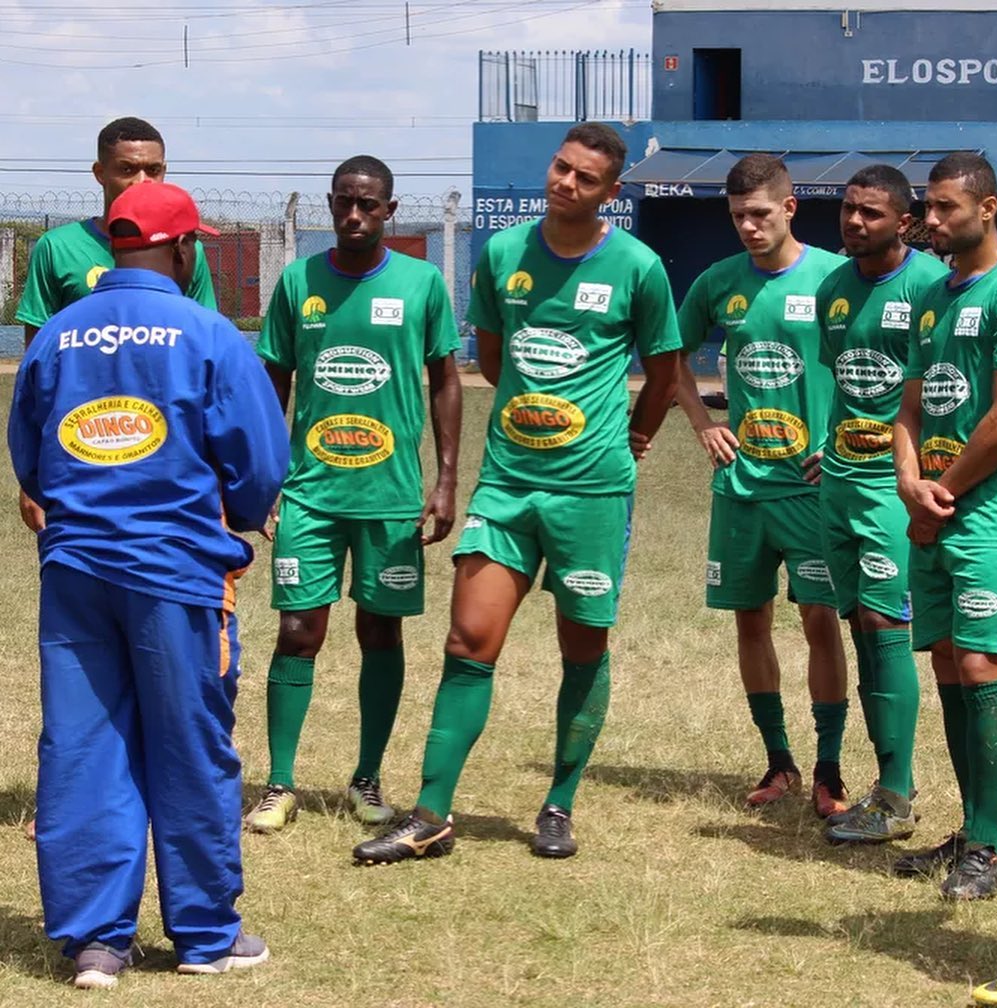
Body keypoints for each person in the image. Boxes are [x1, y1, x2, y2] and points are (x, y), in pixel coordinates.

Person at [352, 121, 681, 865]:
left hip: (593, 492)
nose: (566, 183)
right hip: (507, 483)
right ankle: (431, 814)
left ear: (611, 192)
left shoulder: (638, 266)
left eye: (585, 177)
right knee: (468, 640)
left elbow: (663, 368)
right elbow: (494, 360)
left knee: (582, 645)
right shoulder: (502, 254)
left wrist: (630, 436)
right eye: (561, 168)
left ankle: (559, 801)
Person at [6, 181, 289, 988]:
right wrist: (236, 508)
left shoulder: (57, 335)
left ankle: (96, 942)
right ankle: (204, 934)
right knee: (191, 745)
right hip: (175, 574)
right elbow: (260, 465)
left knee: (84, 746)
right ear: (184, 247)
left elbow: (29, 452)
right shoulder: (208, 334)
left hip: (76, 574)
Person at [244, 155, 461, 833]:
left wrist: (447, 477)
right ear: (329, 205)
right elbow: (270, 383)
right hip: (309, 492)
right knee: (298, 630)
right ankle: (279, 784)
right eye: (343, 202)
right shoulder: (298, 282)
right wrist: (263, 478)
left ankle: (366, 778)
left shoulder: (423, 283)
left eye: (369, 205)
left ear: (389, 211)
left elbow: (445, 381)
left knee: (379, 629)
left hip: (390, 497)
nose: (355, 215)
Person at [675, 154, 850, 817]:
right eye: (737, 216)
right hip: (742, 487)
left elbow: (880, 367)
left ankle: (830, 768)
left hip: (810, 488)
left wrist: (841, 440)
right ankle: (778, 761)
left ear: (789, 208)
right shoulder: (720, 282)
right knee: (751, 620)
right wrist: (700, 425)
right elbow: (668, 357)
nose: (748, 227)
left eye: (759, 214)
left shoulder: (835, 275)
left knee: (819, 619)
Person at [815, 166, 948, 844]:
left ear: (904, 221)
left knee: (885, 622)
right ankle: (888, 785)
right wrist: (822, 443)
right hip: (837, 483)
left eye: (869, 213)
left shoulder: (930, 286)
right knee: (860, 628)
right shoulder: (833, 289)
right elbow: (842, 382)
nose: (853, 222)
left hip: (892, 488)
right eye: (847, 209)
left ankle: (895, 797)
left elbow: (941, 391)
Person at [892, 152, 997, 899]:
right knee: (945, 667)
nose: (930, 221)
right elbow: (906, 406)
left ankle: (993, 849)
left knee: (982, 667)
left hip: (988, 514)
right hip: (932, 511)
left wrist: (943, 493)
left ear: (988, 208)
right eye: (927, 209)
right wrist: (909, 485)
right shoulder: (932, 299)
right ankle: (974, 828)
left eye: (944, 208)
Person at [14, 116, 217, 532]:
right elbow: (36, 369)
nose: (143, 181)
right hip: (83, 441)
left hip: (166, 447)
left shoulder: (184, 251)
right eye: (127, 169)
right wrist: (31, 473)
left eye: (155, 170)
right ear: (100, 173)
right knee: (81, 565)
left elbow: (206, 361)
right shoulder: (58, 248)